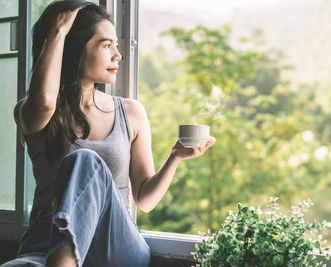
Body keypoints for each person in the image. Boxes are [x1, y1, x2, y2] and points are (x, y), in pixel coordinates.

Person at [1, 1, 216, 266]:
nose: (118, 55)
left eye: (116, 44)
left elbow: (144, 200)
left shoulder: (130, 112)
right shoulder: (33, 112)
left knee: (84, 160)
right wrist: (57, 33)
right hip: (44, 243)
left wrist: (174, 158)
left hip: (114, 244)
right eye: (106, 45)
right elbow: (45, 102)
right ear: (72, 49)